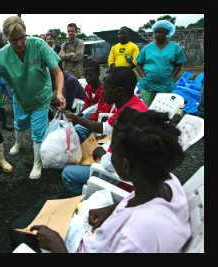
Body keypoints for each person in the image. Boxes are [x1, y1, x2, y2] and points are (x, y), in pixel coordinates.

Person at [10, 107, 191, 253]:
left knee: (18, 230)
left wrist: (58, 247)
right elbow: (137, 202)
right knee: (43, 205)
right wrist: (113, 210)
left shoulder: (137, 238)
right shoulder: (166, 182)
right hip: (96, 234)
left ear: (126, 166)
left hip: (73, 247)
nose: (109, 154)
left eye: (113, 151)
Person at [0, 16, 66, 180]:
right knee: (20, 124)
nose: (20, 44)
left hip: (41, 98)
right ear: (6, 39)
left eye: (22, 38)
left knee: (38, 131)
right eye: (14, 41)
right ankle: (19, 142)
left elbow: (57, 71)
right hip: (20, 98)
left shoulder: (39, 45)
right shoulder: (2, 57)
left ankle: (37, 163)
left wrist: (59, 92)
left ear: (26, 33)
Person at [61, 67, 149, 195]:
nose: (102, 91)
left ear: (119, 91)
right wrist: (75, 118)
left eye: (105, 88)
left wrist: (101, 152)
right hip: (140, 171)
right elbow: (106, 127)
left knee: (67, 173)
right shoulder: (134, 105)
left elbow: (110, 164)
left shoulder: (125, 120)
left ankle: (93, 200)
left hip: (126, 182)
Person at [136, 20, 187, 107]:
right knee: (147, 108)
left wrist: (171, 78)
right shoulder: (147, 48)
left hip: (165, 85)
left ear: (167, 32)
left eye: (160, 32)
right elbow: (138, 64)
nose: (157, 35)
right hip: (148, 85)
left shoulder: (175, 48)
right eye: (155, 32)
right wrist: (143, 77)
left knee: (161, 108)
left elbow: (178, 65)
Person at [74, 61, 116, 144]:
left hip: (102, 118)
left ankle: (89, 147)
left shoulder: (104, 91)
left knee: (77, 129)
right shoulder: (87, 88)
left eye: (90, 74)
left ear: (98, 74)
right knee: (66, 122)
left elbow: (100, 114)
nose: (87, 77)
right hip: (91, 115)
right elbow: (87, 106)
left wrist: (79, 120)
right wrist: (77, 116)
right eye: (85, 75)